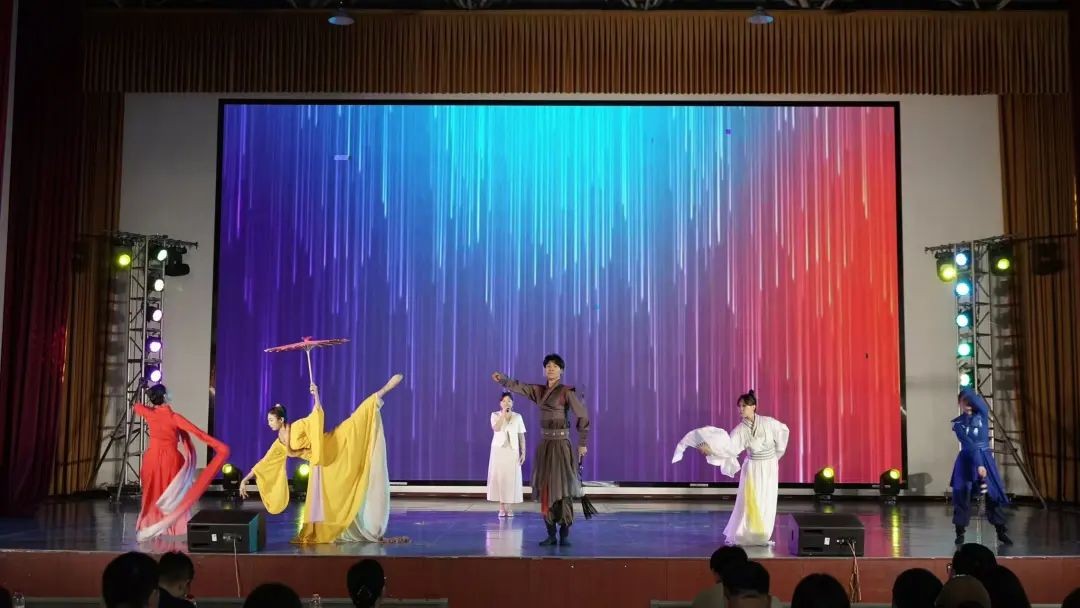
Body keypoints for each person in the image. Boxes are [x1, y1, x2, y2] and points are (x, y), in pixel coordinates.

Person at [240, 374, 404, 543]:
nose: (269, 423)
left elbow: (316, 415)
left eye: (271, 420)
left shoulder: (298, 427)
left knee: (356, 422)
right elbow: (265, 463)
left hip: (330, 445)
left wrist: (316, 395)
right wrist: (245, 479)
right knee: (328, 498)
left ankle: (383, 391)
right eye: (268, 420)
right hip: (319, 464)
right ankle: (333, 529)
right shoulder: (279, 443)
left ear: (281, 420)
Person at [492, 353, 591, 546]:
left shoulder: (566, 392)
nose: (551, 369)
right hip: (545, 445)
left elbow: (583, 416)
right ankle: (551, 533)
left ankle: (564, 533)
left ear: (561, 370)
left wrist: (582, 443)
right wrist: (503, 379)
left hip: (561, 446)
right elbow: (520, 387)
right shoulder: (539, 391)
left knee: (563, 488)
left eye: (555, 366)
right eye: (548, 366)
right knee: (546, 488)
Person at [679, 390, 789, 546]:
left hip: (770, 466)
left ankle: (762, 534)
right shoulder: (740, 430)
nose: (741, 409)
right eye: (739, 406)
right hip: (753, 468)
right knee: (752, 500)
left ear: (754, 406)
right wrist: (710, 451)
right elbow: (729, 449)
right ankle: (747, 534)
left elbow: (783, 433)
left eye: (744, 406)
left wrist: (775, 456)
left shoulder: (769, 423)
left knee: (767, 500)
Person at [134, 384, 230, 541]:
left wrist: (145, 390)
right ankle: (171, 526)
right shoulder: (174, 417)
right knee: (173, 494)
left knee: (152, 493)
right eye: (167, 392)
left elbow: (137, 406)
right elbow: (199, 434)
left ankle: (150, 524)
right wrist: (219, 446)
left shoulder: (149, 413)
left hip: (151, 459)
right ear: (165, 397)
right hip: (170, 460)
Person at [950, 389, 1011, 545]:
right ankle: (959, 532)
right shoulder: (958, 424)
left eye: (970, 401)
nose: (968, 404)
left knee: (992, 494)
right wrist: (979, 465)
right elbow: (969, 445)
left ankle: (1001, 531)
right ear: (959, 404)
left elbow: (979, 404)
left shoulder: (982, 415)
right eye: (964, 402)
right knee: (962, 494)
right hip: (967, 460)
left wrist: (968, 394)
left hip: (985, 458)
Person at [486, 391, 526, 517]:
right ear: (500, 403)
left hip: (512, 451)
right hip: (499, 450)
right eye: (504, 401)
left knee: (510, 480)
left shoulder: (517, 417)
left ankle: (509, 507)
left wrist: (523, 452)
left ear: (512, 403)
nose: (506, 403)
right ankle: (501, 507)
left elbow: (521, 436)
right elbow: (496, 428)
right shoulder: (495, 415)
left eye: (509, 401)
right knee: (500, 478)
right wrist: (503, 415)